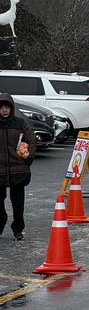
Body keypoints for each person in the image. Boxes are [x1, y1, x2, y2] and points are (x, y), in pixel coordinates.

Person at [0, 93, 36, 240]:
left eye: (7, 107)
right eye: (1, 107)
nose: (4, 110)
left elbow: (31, 141)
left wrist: (28, 157)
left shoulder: (21, 123)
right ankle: (1, 221)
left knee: (18, 203)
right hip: (0, 171)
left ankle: (18, 229)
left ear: (12, 108)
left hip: (18, 170)